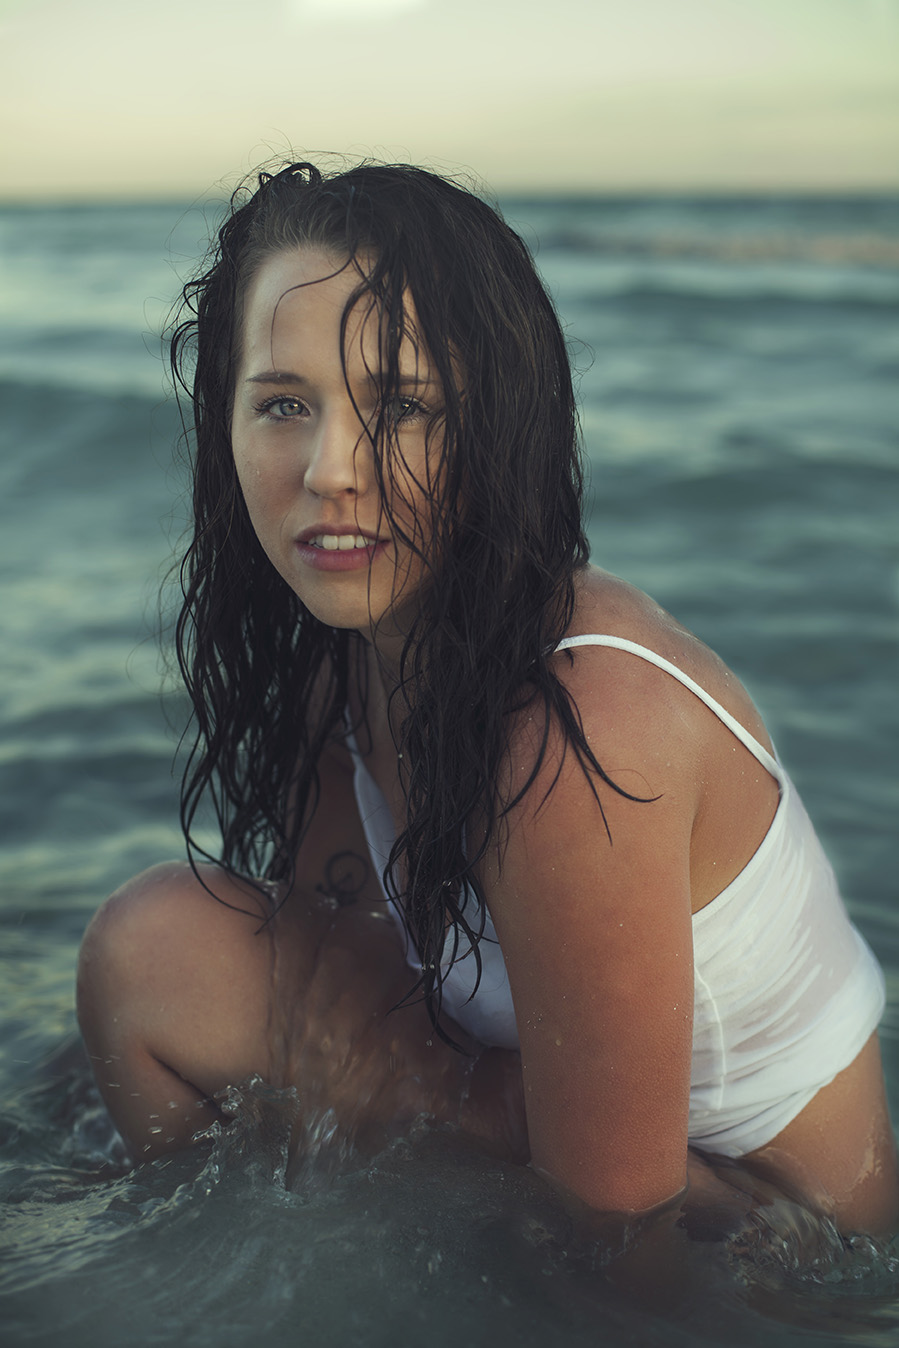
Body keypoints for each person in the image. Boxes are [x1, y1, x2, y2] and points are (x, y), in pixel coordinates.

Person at [77, 160, 897, 1236]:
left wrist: (388, 1103)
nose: (329, 469)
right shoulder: (346, 664)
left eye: (402, 405)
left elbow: (620, 1245)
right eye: (282, 403)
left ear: (495, 422)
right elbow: (339, 975)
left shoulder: (579, 726)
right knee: (150, 953)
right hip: (527, 1127)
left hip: (764, 1247)